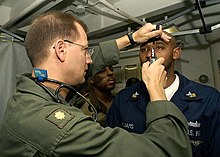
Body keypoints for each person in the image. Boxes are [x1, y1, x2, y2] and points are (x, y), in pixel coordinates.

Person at [0, 11, 192, 157]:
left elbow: (85, 66)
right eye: (85, 50)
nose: (90, 60)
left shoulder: (31, 94)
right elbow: (169, 150)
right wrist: (157, 92)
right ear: (61, 50)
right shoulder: (59, 127)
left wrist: (132, 38)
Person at [107, 31, 220, 157]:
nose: (150, 54)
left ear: (175, 53)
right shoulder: (123, 99)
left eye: (159, 48)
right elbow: (112, 148)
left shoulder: (209, 99)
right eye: (144, 49)